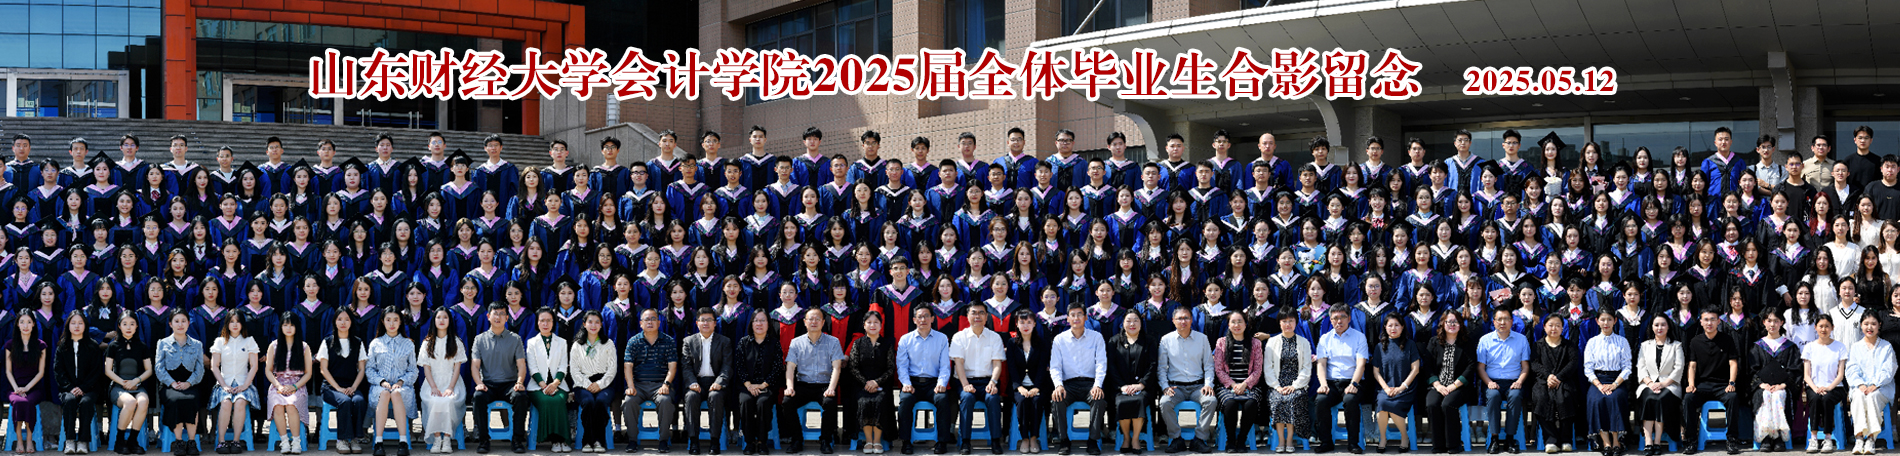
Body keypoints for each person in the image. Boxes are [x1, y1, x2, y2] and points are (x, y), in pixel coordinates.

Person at [468, 304, 531, 454]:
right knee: (478, 397)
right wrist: (479, 383)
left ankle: (517, 440)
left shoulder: (515, 339)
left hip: (509, 384)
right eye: (495, 313)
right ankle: (483, 440)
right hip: (488, 385)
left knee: (520, 397)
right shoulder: (479, 339)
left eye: (502, 314)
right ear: (488, 316)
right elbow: (475, 366)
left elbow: (521, 365)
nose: (498, 317)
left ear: (507, 318)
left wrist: (519, 382)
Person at [781, 308, 846, 454]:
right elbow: (790, 367)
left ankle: (825, 440)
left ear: (823, 322)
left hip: (824, 385)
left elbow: (837, 367)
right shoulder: (796, 342)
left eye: (817, 319)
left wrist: (831, 388)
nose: (814, 322)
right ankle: (797, 439)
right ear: (805, 322)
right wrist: (790, 387)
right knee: (787, 401)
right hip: (803, 384)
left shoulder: (833, 342)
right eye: (810, 319)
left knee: (830, 402)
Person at [1050, 304, 1109, 456]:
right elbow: (1055, 367)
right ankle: (1064, 440)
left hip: (1090, 384)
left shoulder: (1096, 337)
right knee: (1057, 400)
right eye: (1073, 315)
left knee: (1099, 400)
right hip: (1068, 385)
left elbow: (1101, 364)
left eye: (1079, 314)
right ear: (1067, 319)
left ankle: (1093, 440)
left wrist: (1097, 385)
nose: (1076, 318)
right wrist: (1058, 385)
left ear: (1086, 317)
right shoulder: (1059, 339)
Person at [1156, 307, 1218, 454]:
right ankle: (1176, 438)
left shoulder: (1202, 339)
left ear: (1191, 320)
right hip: (1175, 387)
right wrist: (1165, 387)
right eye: (1179, 318)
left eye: (1186, 318)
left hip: (1198, 386)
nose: (1183, 321)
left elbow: (1209, 365)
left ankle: (1199, 439)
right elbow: (1161, 368)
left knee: (1211, 401)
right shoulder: (1166, 340)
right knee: (1164, 403)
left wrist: (1208, 384)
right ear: (1173, 321)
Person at [895, 306, 953, 455]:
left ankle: (942, 442)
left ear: (932, 319)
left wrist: (941, 384)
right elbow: (902, 366)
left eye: (926, 316)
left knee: (942, 399)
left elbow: (945, 365)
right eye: (919, 316)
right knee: (905, 401)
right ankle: (906, 442)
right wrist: (906, 384)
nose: (923, 319)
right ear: (914, 320)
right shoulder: (905, 339)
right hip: (912, 382)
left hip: (933, 383)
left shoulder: (942, 338)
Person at [951, 303, 1007, 455]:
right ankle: (965, 441)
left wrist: (993, 382)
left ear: (986, 316)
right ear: (967, 316)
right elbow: (958, 364)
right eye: (974, 313)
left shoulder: (994, 337)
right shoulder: (959, 337)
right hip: (965, 381)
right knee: (967, 398)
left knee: (993, 398)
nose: (977, 316)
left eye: (981, 313)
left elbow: (997, 364)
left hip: (988, 381)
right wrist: (965, 385)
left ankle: (995, 440)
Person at [1683, 311, 1741, 454]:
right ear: (1701, 322)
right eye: (1706, 320)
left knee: (1733, 398)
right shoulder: (1695, 341)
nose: (1709, 323)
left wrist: (1731, 383)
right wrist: (1691, 384)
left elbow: (1733, 363)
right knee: (1688, 399)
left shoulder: (1727, 340)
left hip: (1722, 386)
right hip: (1702, 385)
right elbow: (1692, 365)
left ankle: (1732, 440)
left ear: (1718, 322)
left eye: (1713, 319)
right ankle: (1691, 441)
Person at [621, 308, 678, 452]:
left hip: (660, 385)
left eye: (653, 319)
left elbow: (672, 366)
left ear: (659, 322)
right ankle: (632, 440)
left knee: (665, 401)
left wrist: (666, 384)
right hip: (638, 385)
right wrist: (630, 386)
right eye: (647, 319)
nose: (650, 322)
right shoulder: (633, 341)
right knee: (628, 402)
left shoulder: (668, 341)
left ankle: (663, 440)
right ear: (641, 323)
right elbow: (628, 366)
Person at [1315, 304, 1370, 454]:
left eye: (1343, 317)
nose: (1339, 321)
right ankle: (1326, 442)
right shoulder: (1325, 339)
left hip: (1353, 381)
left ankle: (1353, 443)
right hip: (1332, 383)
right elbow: (1321, 364)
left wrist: (1354, 384)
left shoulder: (1359, 337)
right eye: (1335, 318)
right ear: (1330, 320)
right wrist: (1323, 384)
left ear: (1349, 318)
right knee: (1321, 400)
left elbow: (1361, 364)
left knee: (1350, 400)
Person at [1475, 309, 1530, 454]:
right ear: (1493, 322)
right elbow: (1480, 367)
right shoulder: (1485, 340)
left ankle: (1510, 439)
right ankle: (1494, 438)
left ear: (1512, 321)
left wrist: (1519, 381)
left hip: (1514, 381)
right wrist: (1489, 382)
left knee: (1515, 396)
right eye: (1499, 319)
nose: (1502, 322)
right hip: (1492, 381)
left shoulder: (1521, 339)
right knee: (1493, 396)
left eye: (1506, 319)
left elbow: (1525, 366)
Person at [366, 308, 418, 456]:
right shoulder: (376, 343)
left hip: (403, 388)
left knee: (396, 393)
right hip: (379, 388)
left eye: (395, 320)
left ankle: (403, 442)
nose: (392, 323)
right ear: (383, 322)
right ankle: (378, 442)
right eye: (388, 320)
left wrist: (401, 382)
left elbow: (413, 370)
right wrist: (381, 381)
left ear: (400, 322)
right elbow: (369, 369)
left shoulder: (408, 344)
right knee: (384, 393)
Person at [1423, 311, 1476, 455]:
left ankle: (1453, 444)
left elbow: (1471, 366)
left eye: (1456, 322)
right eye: (1449, 322)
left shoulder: (1467, 342)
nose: (1452, 325)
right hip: (1438, 385)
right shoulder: (1434, 342)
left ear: (1460, 324)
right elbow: (1427, 366)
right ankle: (1438, 445)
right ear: (1443, 324)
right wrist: (1437, 385)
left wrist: (1454, 385)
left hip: (1460, 387)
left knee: (1448, 404)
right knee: (1432, 404)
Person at [317, 310, 369, 455]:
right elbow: (323, 369)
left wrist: (354, 387)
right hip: (331, 387)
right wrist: (338, 388)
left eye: (347, 319)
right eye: (339, 319)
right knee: (345, 401)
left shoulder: (357, 342)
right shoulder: (328, 342)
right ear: (335, 321)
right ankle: (343, 439)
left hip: (352, 386)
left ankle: (355, 438)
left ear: (351, 322)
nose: (343, 322)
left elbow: (361, 369)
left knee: (359, 401)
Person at [1749, 311, 1802, 452]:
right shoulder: (1757, 346)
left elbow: (1796, 370)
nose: (1772, 324)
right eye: (1769, 320)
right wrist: (1761, 384)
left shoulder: (1789, 346)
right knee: (1765, 395)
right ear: (1764, 323)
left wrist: (1783, 385)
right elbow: (1752, 370)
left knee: (1778, 395)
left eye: (1776, 321)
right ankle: (1766, 436)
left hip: (1783, 387)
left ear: (1782, 323)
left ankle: (1779, 436)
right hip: (1763, 387)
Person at [207, 313, 259, 455]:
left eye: (238, 321)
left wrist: (245, 385)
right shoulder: (220, 342)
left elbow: (254, 366)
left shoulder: (249, 341)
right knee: (226, 403)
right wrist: (223, 385)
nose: (235, 324)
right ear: (227, 324)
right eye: (231, 321)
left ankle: (236, 441)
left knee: (240, 402)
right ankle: (221, 441)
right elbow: (214, 366)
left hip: (244, 384)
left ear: (242, 324)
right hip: (224, 383)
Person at [732, 310, 782, 455]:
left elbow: (777, 367)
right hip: (746, 386)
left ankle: (762, 442)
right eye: (756, 320)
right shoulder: (744, 342)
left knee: (763, 402)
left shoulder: (774, 343)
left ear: (768, 324)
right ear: (751, 324)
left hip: (767, 386)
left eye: (763, 320)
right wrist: (748, 385)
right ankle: (749, 442)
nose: (759, 324)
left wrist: (763, 385)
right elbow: (739, 366)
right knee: (746, 401)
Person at [679, 308, 728, 455]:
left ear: (715, 323)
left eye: (709, 320)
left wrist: (719, 382)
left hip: (715, 382)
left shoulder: (724, 341)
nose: (706, 323)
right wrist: (692, 382)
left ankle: (714, 441)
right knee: (691, 397)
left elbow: (727, 367)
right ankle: (694, 441)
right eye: (702, 320)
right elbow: (686, 366)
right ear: (697, 323)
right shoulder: (688, 341)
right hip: (696, 382)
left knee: (716, 397)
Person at [846, 311, 895, 455]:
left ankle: (877, 441)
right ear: (864, 325)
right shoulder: (858, 343)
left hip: (882, 384)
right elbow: (853, 367)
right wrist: (866, 383)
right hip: (861, 385)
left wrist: (876, 382)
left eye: (876, 322)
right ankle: (868, 441)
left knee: (880, 401)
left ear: (881, 325)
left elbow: (890, 368)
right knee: (864, 401)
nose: (872, 325)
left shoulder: (887, 344)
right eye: (869, 322)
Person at [156, 312, 205, 456]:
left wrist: (189, 383)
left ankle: (191, 441)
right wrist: (172, 383)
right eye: (176, 321)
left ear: (189, 323)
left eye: (184, 321)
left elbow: (200, 369)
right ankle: (179, 442)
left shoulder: (197, 344)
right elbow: (159, 368)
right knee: (176, 400)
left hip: (190, 385)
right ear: (170, 324)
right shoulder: (163, 343)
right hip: (169, 385)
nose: (180, 324)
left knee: (191, 399)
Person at [1845, 314, 1895, 455]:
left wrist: (1875, 384)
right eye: (1866, 323)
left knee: (1872, 396)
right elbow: (1851, 369)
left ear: (1879, 325)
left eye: (1873, 324)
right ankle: (1859, 438)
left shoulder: (1886, 346)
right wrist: (1860, 384)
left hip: (1882, 387)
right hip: (1860, 387)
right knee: (1859, 396)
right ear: (1861, 325)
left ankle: (1871, 439)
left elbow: (1888, 369)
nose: (1869, 327)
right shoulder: (1856, 347)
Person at [1214, 312, 1264, 452]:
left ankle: (1241, 440)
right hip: (1227, 386)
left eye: (1240, 321)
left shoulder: (1255, 343)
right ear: (1228, 325)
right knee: (1230, 404)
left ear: (1246, 324)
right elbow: (1219, 370)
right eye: (1233, 322)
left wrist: (1244, 384)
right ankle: (1230, 441)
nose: (1237, 325)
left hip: (1250, 385)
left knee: (1251, 404)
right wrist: (1233, 385)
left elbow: (1257, 370)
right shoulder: (1221, 342)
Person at [1634, 316, 1683, 456]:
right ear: (1652, 327)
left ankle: (1658, 442)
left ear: (1668, 326)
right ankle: (1648, 441)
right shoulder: (1645, 345)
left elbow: (1678, 368)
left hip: (1670, 385)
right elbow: (1641, 367)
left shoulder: (1676, 345)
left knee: (1660, 399)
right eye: (1656, 325)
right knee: (1649, 398)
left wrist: (1662, 384)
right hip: (1648, 384)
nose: (1659, 328)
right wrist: (1650, 383)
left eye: (1663, 324)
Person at [56, 312, 104, 456]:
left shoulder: (93, 346)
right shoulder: (62, 346)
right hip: (68, 389)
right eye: (73, 323)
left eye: (80, 323)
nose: (76, 326)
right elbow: (58, 371)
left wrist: (83, 388)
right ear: (68, 326)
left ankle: (83, 440)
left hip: (89, 388)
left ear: (85, 325)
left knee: (86, 402)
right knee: (70, 400)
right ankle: (70, 440)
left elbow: (96, 371)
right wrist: (71, 388)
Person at [569, 311, 617, 454]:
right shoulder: (577, 345)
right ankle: (587, 440)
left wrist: (600, 384)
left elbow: (612, 369)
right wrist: (587, 385)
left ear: (601, 325)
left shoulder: (608, 343)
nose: (593, 325)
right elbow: (574, 370)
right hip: (582, 384)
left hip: (604, 384)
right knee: (588, 402)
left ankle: (599, 441)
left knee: (601, 401)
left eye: (597, 322)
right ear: (584, 324)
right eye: (590, 322)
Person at [1581, 312, 1629, 455]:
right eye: (1602, 319)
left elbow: (1627, 367)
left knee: (1615, 398)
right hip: (1598, 380)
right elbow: (1588, 369)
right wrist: (1599, 385)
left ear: (1615, 321)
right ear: (1597, 321)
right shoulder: (1592, 342)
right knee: (1596, 400)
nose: (1606, 323)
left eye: (1609, 319)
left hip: (1617, 380)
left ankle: (1616, 442)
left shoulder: (1622, 341)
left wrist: (1614, 384)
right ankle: (1606, 443)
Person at [263, 312, 312, 455]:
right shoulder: (274, 346)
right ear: (281, 327)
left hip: (297, 384)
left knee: (292, 404)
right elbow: (268, 371)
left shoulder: (304, 347)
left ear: (297, 327)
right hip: (278, 384)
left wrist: (295, 386)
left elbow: (308, 373)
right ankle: (284, 442)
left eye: (292, 325)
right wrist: (278, 386)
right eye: (285, 325)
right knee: (278, 405)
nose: (288, 328)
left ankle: (296, 442)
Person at [1005, 310, 1052, 455]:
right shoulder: (1012, 343)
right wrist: (1019, 387)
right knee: (1022, 401)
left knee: (1036, 401)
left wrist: (1036, 387)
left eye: (1029, 322)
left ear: (1034, 324)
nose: (1025, 326)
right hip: (1018, 386)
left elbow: (1042, 368)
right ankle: (1024, 437)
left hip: (1038, 385)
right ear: (1017, 324)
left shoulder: (1042, 343)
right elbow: (1012, 368)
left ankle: (1034, 438)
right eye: (1022, 322)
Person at [106, 313, 153, 455]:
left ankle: (133, 440)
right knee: (130, 402)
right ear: (119, 326)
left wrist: (136, 381)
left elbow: (149, 370)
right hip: (118, 386)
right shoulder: (113, 346)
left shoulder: (142, 346)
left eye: (132, 324)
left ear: (137, 326)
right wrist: (123, 383)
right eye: (125, 324)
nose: (128, 327)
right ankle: (119, 441)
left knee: (143, 402)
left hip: (137, 385)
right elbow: (108, 370)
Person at [1371, 314, 1419, 454]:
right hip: (1386, 388)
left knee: (1393, 405)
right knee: (1382, 403)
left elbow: (1415, 369)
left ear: (1402, 327)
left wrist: (1401, 387)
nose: (1393, 328)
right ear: (1385, 327)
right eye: (1390, 325)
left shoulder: (1410, 344)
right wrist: (1386, 388)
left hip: (1406, 388)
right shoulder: (1379, 347)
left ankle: (1404, 437)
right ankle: (1383, 438)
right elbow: (1376, 372)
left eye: (1397, 325)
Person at [524, 309, 570, 453]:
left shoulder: (562, 342)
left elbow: (563, 366)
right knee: (547, 400)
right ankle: (555, 440)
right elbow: (532, 367)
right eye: (542, 320)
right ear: (537, 323)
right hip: (537, 387)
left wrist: (555, 383)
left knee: (559, 399)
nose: (545, 324)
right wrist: (544, 386)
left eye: (549, 320)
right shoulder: (531, 343)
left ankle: (563, 439)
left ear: (553, 322)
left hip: (559, 385)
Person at [1804, 315, 1849, 453]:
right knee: (1816, 399)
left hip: (1835, 387)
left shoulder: (1840, 347)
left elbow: (1840, 375)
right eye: (1821, 326)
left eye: (1827, 326)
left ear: (1832, 328)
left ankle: (1828, 438)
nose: (1824, 329)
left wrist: (1829, 387)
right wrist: (1816, 388)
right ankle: (1813, 438)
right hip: (1814, 387)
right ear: (1815, 328)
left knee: (1827, 398)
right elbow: (1806, 375)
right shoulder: (1809, 347)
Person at [8, 312, 47, 454]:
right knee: (18, 402)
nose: (25, 325)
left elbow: (41, 372)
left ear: (34, 324)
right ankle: (19, 440)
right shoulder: (10, 345)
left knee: (29, 402)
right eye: (22, 322)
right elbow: (8, 372)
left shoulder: (40, 345)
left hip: (34, 388)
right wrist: (17, 388)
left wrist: (26, 388)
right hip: (14, 387)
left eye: (29, 322)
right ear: (17, 325)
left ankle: (29, 439)